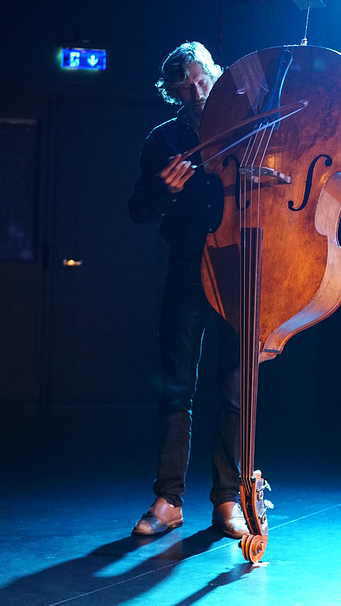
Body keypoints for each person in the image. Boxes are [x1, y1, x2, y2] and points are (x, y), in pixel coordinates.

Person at [128, 41, 248, 539]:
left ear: (215, 75)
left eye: (203, 82)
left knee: (235, 387)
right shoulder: (163, 138)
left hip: (238, 264)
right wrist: (166, 190)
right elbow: (138, 209)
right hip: (186, 265)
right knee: (177, 384)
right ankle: (169, 498)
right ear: (173, 93)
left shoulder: (245, 125)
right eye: (186, 89)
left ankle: (228, 499)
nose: (198, 95)